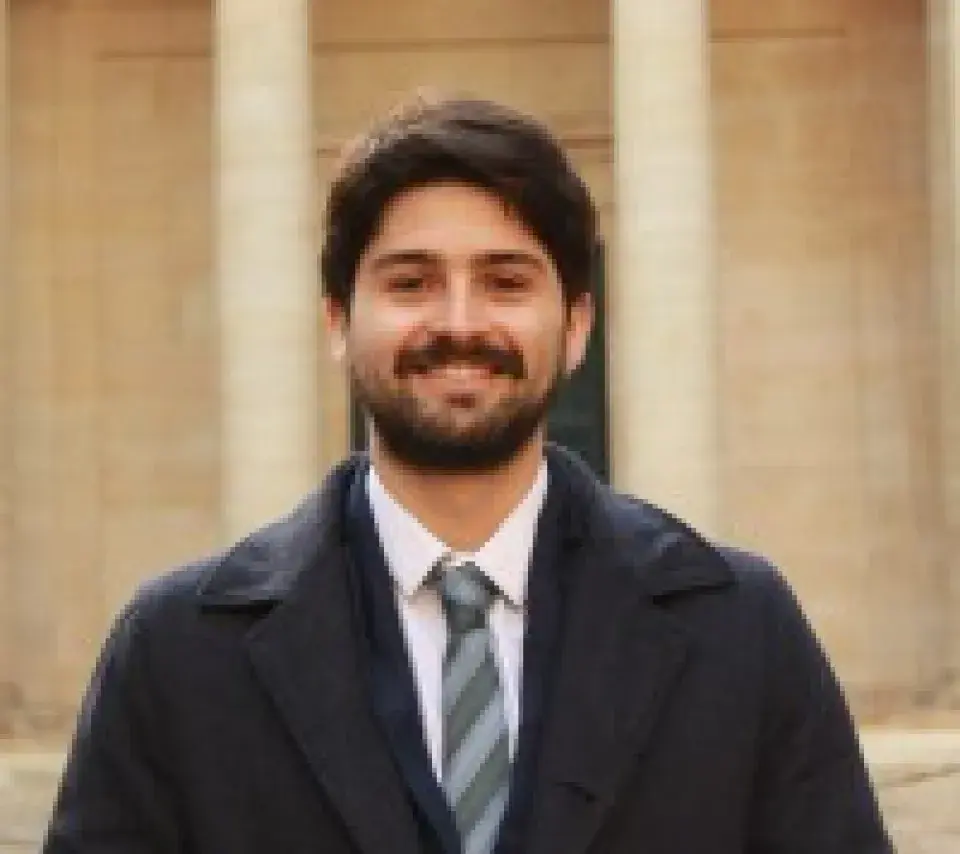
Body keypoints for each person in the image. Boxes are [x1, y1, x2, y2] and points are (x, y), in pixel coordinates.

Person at [42, 95, 893, 854]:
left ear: (576, 326)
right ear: (338, 320)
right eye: (411, 282)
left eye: (505, 281)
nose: (458, 323)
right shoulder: (177, 654)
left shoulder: (740, 631)